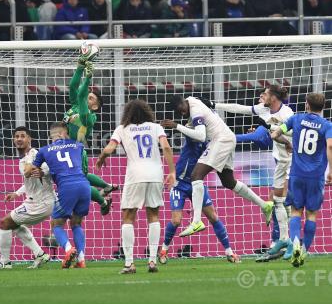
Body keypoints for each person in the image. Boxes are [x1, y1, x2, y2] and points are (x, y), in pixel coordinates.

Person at [162, 95, 273, 237]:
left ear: (183, 102)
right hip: (228, 138)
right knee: (228, 181)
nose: (182, 113)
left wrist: (177, 126)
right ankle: (265, 205)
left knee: (196, 176)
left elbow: (201, 136)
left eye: (181, 109)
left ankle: (196, 221)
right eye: (179, 112)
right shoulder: (193, 102)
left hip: (221, 140)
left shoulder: (195, 110)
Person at [206, 86, 293, 257]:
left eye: (265, 93)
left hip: (292, 161)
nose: (261, 95)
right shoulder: (263, 109)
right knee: (278, 202)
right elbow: (240, 108)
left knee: (280, 202)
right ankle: (282, 242)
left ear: (274, 97)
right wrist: (214, 105)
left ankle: (285, 242)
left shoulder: (287, 114)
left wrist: (230, 138)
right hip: (280, 161)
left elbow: (288, 138)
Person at [96, 99, 176, 274]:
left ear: (127, 114)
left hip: (135, 176)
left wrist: (102, 159)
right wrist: (172, 172)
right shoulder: (155, 127)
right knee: (153, 215)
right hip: (156, 174)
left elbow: (109, 148)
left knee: (128, 217)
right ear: (147, 112)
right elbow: (167, 148)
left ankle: (129, 264)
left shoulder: (122, 129)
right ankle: (153, 261)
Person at [270, 93, 332, 267]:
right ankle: (303, 251)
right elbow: (330, 145)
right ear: (323, 107)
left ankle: (295, 243)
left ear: (307, 105)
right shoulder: (327, 125)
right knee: (312, 214)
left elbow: (275, 134)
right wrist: (331, 171)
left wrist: (287, 142)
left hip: (296, 174)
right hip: (316, 177)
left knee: (296, 211)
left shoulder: (295, 119)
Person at [159, 136, 241, 265]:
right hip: (179, 185)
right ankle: (164, 250)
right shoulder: (193, 137)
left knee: (213, 217)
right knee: (176, 220)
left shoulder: (210, 145)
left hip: (196, 185)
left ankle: (229, 252)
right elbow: (191, 132)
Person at [26, 122, 91, 269]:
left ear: (56, 135)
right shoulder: (78, 145)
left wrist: (31, 166)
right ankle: (81, 260)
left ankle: (69, 250)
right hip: (84, 185)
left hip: (67, 187)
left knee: (56, 224)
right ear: (64, 134)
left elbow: (31, 170)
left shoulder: (44, 150)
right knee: (76, 223)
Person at [0, 126, 54, 270]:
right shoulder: (24, 159)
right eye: (16, 136)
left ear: (29, 139)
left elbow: (49, 168)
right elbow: (28, 181)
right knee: (15, 225)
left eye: (23, 136)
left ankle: (4, 262)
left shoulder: (34, 153)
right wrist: (16, 193)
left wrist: (43, 172)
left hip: (41, 202)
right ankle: (39, 254)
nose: (19, 139)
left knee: (5, 223)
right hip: (36, 201)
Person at [64, 56, 118, 215]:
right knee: (82, 176)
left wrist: (88, 78)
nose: (88, 96)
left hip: (76, 151)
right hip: (68, 149)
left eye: (91, 97)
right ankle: (106, 186)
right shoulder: (75, 105)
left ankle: (103, 201)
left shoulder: (90, 117)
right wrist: (80, 67)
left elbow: (81, 94)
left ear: (95, 106)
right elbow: (73, 87)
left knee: (78, 181)